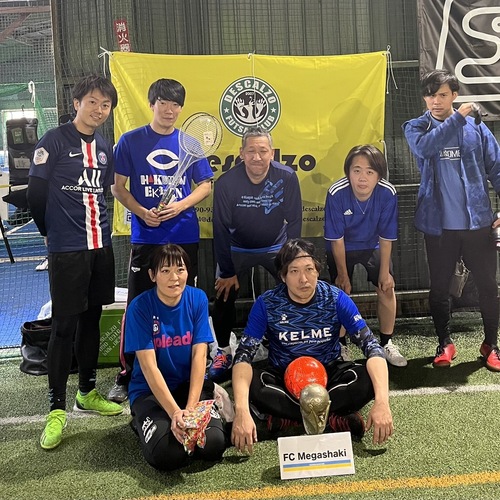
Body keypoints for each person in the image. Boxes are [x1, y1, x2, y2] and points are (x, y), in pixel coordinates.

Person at [27, 74, 123, 450]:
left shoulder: (105, 147)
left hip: (101, 248)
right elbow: (36, 194)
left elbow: (103, 194)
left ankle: (86, 391)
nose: (99, 109)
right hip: (66, 250)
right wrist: (46, 232)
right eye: (93, 102)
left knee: (91, 320)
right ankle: (56, 409)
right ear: (76, 103)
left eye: (106, 104)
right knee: (63, 326)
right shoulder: (53, 140)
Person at [231, 239, 394, 454]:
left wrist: (382, 402)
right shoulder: (267, 303)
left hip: (329, 377)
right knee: (251, 383)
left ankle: (287, 419)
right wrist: (241, 411)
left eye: (309, 269)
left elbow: (371, 346)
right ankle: (332, 417)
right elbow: (243, 355)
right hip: (283, 379)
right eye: (294, 271)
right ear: (283, 276)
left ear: (317, 270)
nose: (303, 279)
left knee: (368, 378)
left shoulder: (336, 298)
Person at [108, 79, 214, 403]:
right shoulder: (130, 141)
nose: (169, 110)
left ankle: (190, 371)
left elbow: (205, 185)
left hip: (184, 236)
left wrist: (180, 206)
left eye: (175, 104)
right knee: (137, 306)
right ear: (151, 104)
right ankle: (127, 375)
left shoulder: (190, 144)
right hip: (147, 238)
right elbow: (117, 187)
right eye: (163, 103)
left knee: (186, 304)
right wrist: (142, 212)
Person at [403, 69, 500, 370]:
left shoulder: (476, 128)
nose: (435, 101)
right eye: (430, 95)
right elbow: (425, 148)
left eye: (442, 95)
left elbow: (496, 167)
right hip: (438, 227)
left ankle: (491, 344)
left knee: (488, 286)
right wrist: (458, 117)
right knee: (439, 289)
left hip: (478, 224)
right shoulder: (416, 127)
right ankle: (444, 342)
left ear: (454, 95)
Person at [209, 126, 302, 381]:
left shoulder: (287, 176)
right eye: (251, 151)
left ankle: (289, 343)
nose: (257, 157)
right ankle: (223, 351)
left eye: (262, 151)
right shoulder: (226, 182)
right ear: (241, 154)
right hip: (237, 248)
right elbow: (220, 228)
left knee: (296, 287)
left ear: (272, 153)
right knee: (223, 292)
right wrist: (227, 271)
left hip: (276, 247)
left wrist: (291, 261)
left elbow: (295, 221)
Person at [125, 244, 227, 470]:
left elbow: (200, 356)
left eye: (180, 270)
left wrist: (190, 411)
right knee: (168, 455)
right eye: (165, 271)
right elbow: (149, 368)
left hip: (188, 387)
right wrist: (174, 412)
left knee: (213, 445)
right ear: (152, 275)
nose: (174, 278)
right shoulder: (139, 307)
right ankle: (141, 421)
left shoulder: (197, 298)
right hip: (149, 392)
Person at [324, 144, 407, 367]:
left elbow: (386, 236)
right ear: (348, 172)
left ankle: (387, 342)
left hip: (373, 245)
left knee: (387, 286)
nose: (362, 177)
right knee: (340, 291)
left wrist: (385, 274)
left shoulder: (387, 192)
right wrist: (343, 275)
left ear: (378, 175)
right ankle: (340, 345)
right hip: (343, 246)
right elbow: (336, 239)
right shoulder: (336, 193)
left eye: (370, 171)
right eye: (357, 170)